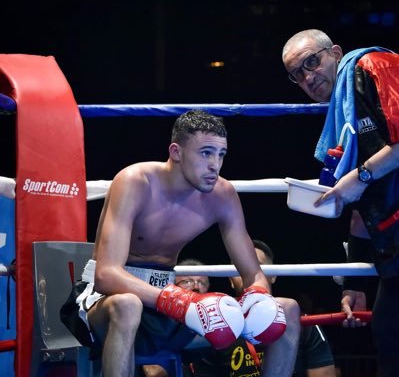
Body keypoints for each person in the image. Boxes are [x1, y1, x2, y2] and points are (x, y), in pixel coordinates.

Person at [60, 110, 299, 377]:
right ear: (176, 152)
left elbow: (253, 274)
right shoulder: (136, 181)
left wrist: (258, 297)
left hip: (165, 306)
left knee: (286, 309)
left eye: (221, 155)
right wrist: (181, 302)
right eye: (206, 153)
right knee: (128, 304)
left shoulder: (222, 194)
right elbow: (106, 275)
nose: (215, 165)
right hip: (106, 301)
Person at [282, 29, 399, 377]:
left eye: (312, 62)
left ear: (335, 52)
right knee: (388, 336)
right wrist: (354, 283)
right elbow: (363, 210)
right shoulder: (342, 119)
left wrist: (360, 175)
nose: (307, 77)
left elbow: (364, 182)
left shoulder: (375, 64)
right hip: (390, 244)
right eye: (296, 74)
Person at [181, 241, 336, 377]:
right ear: (230, 280)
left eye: (257, 266)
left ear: (273, 275)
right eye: (239, 268)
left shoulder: (304, 325)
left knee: (287, 307)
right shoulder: (216, 324)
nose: (248, 272)